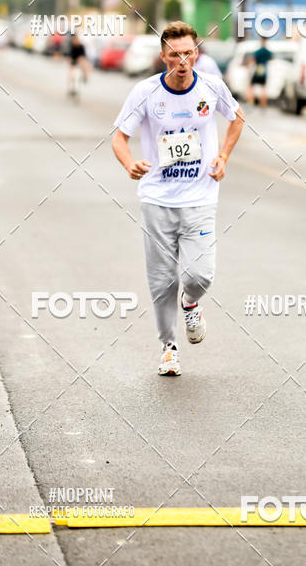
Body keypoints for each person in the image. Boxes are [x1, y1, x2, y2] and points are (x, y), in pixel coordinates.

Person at [111, 21, 244, 376]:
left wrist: (223, 157)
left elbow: (237, 118)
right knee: (162, 280)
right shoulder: (145, 92)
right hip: (157, 198)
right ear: (163, 57)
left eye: (188, 53)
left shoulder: (212, 87)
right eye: (174, 55)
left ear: (196, 54)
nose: (182, 61)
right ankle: (168, 348)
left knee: (200, 275)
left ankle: (191, 303)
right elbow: (119, 138)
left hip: (200, 197)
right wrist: (130, 164)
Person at [246, 38, 273, 107]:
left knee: (250, 86)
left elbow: (252, 59)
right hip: (264, 70)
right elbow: (271, 58)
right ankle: (263, 103)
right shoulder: (267, 51)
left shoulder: (258, 51)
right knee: (263, 87)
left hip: (258, 69)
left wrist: (249, 68)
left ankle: (250, 102)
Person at [66, 31, 88, 96]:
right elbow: (69, 57)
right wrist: (70, 62)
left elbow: (84, 57)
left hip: (80, 62)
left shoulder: (81, 46)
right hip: (73, 62)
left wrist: (81, 60)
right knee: (70, 74)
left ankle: (85, 76)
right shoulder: (72, 46)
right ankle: (70, 88)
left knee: (85, 65)